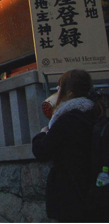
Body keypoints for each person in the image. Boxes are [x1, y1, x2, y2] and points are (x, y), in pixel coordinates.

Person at [32, 69, 104, 222]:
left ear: (69, 92)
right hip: (94, 189)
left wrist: (42, 134)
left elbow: (42, 150)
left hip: (71, 194)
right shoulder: (94, 112)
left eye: (60, 88)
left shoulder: (67, 119)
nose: (58, 92)